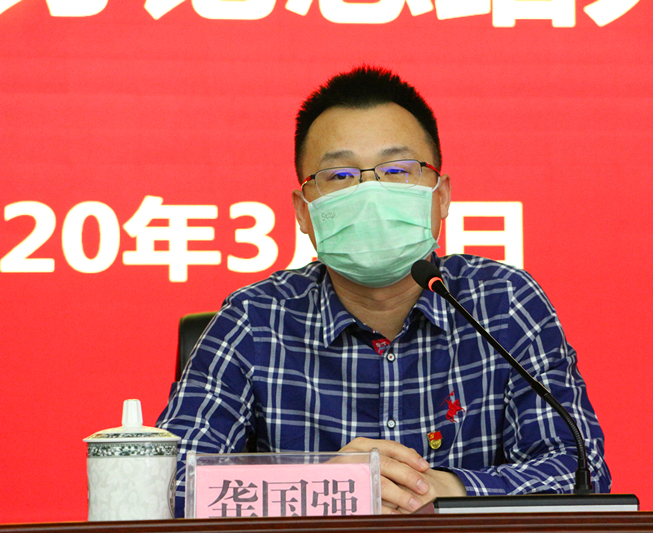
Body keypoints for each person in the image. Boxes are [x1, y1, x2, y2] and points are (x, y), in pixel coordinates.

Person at [157, 65, 611, 517]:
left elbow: (581, 472)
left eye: (397, 170)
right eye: (340, 177)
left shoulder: (506, 303)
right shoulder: (255, 319)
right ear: (303, 211)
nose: (370, 195)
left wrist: (450, 490)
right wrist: (323, 489)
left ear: (441, 195)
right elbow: (167, 486)